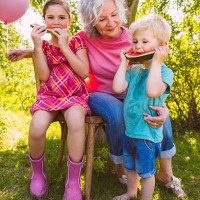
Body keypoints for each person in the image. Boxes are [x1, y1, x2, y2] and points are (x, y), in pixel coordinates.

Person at [6, 0, 186, 198]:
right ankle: (121, 167)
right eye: (102, 19)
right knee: (116, 113)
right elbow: (57, 48)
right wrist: (28, 52)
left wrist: (163, 106)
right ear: (92, 21)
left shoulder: (134, 38)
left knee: (159, 112)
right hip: (100, 93)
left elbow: (153, 64)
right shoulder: (85, 37)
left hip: (132, 93)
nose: (110, 22)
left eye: (114, 15)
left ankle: (166, 173)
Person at [18, 0, 90, 199]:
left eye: (61, 17)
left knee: (76, 121)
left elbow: (84, 71)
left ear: (70, 20)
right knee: (37, 126)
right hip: (50, 96)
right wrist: (37, 47)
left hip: (75, 97)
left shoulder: (77, 41)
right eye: (51, 17)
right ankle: (38, 174)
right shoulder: (44, 46)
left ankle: (73, 181)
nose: (56, 22)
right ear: (44, 20)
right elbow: (43, 76)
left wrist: (66, 47)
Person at [112, 14, 173, 200]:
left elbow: (153, 91)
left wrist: (156, 61)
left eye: (145, 41)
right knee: (130, 167)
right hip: (130, 131)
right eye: (135, 41)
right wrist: (124, 63)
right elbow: (117, 87)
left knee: (146, 173)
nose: (138, 46)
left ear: (161, 45)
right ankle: (131, 193)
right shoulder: (134, 69)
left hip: (148, 135)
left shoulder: (164, 72)